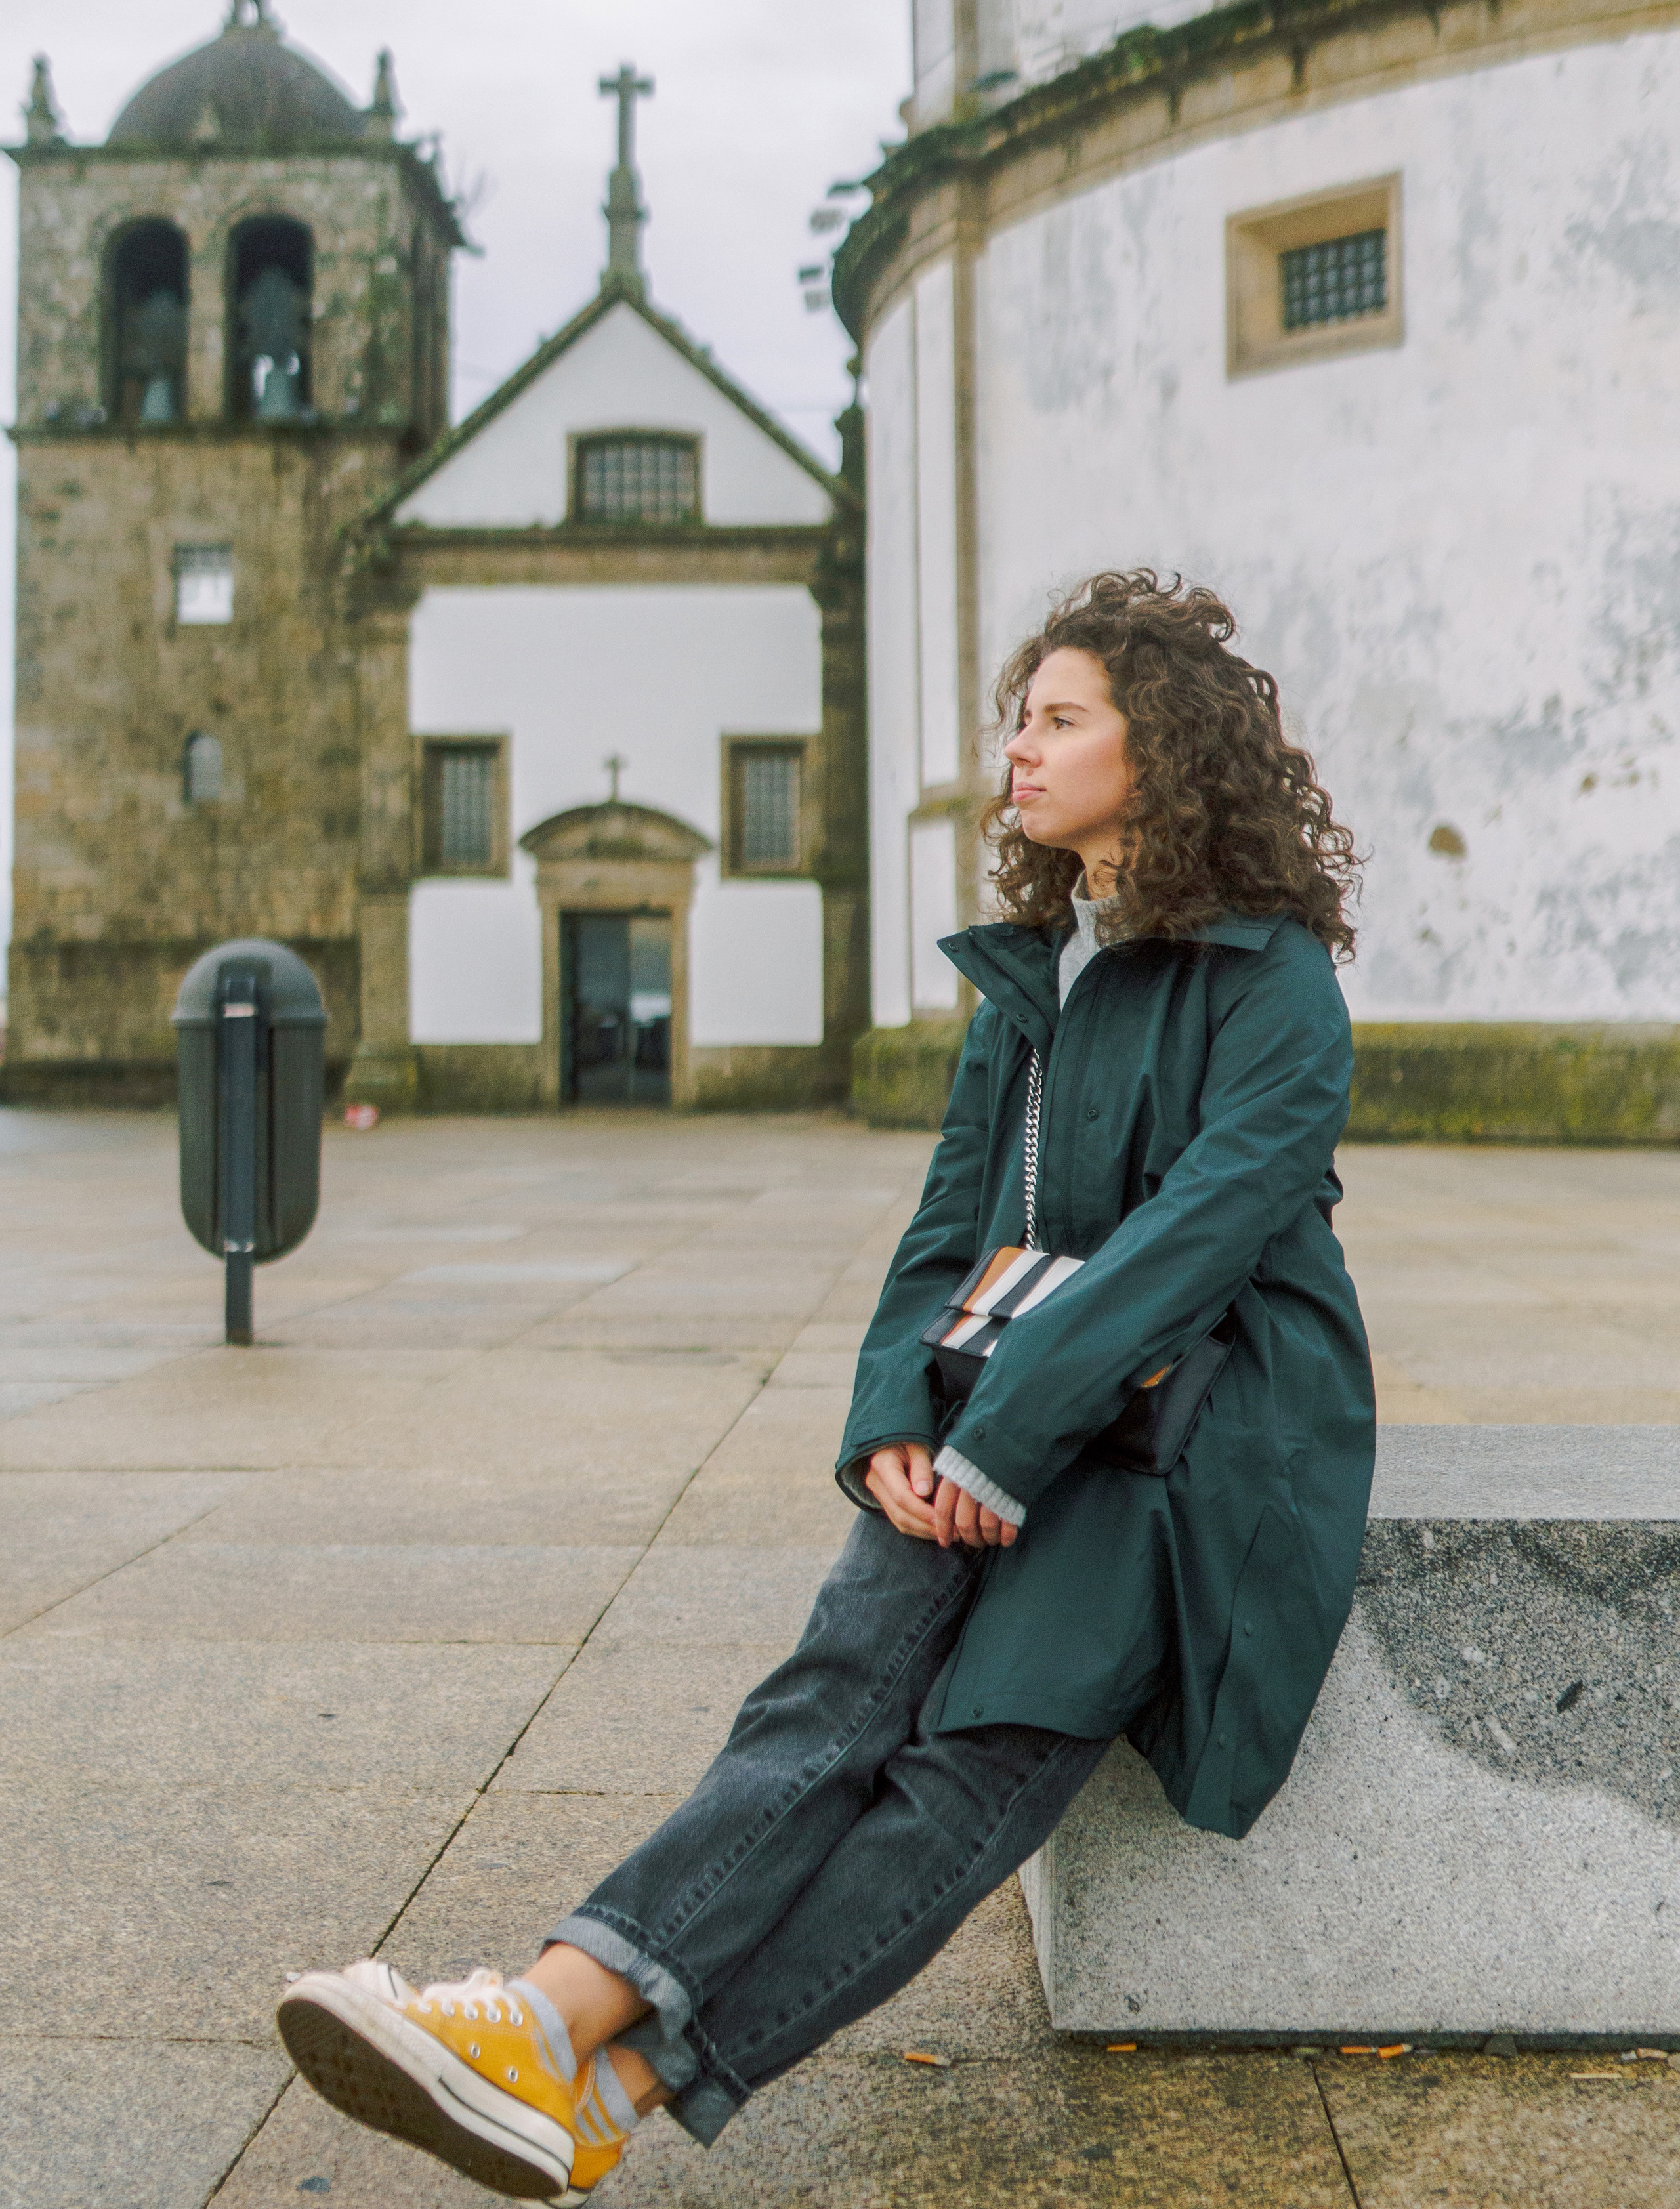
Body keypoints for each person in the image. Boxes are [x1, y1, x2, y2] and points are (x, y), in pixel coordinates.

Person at [277, 568, 1375, 2200]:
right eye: (1019, 718)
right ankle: (542, 2023)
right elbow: (946, 1216)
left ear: (1165, 749)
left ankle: (602, 2077)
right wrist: (889, 1419)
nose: (1017, 748)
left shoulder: (1268, 979)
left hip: (1196, 1433)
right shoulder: (1030, 971)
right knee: (835, 1686)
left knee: (969, 1762)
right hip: (1013, 1397)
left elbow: (1197, 1238)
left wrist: (999, 1439)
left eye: (1057, 719)